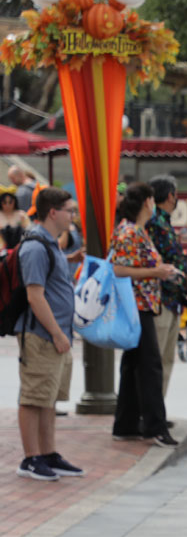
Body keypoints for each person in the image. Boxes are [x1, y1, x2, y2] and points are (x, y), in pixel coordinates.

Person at [14, 188, 82, 481]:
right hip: (41, 335)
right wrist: (56, 333)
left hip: (55, 335)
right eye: (69, 210)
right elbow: (35, 295)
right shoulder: (35, 246)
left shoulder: (49, 243)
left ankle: (48, 453)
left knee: (48, 397)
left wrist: (70, 258)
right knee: (33, 398)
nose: (73, 216)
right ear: (53, 212)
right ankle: (31, 459)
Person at [110, 182, 179, 446]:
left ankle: (126, 424)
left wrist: (161, 271)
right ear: (147, 202)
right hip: (138, 306)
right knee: (150, 366)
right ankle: (155, 427)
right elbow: (119, 269)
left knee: (133, 366)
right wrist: (156, 272)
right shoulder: (130, 231)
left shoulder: (134, 230)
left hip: (141, 304)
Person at [146, 175, 187, 398]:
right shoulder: (154, 223)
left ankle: (158, 414)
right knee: (157, 361)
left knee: (166, 360)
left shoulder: (162, 222)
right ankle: (151, 415)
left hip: (171, 300)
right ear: (171, 195)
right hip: (159, 299)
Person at [1, 186, 30, 251]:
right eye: (4, 202)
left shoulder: (21, 215)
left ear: (14, 201)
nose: (7, 205)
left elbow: (28, 230)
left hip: (18, 248)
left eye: (10, 202)